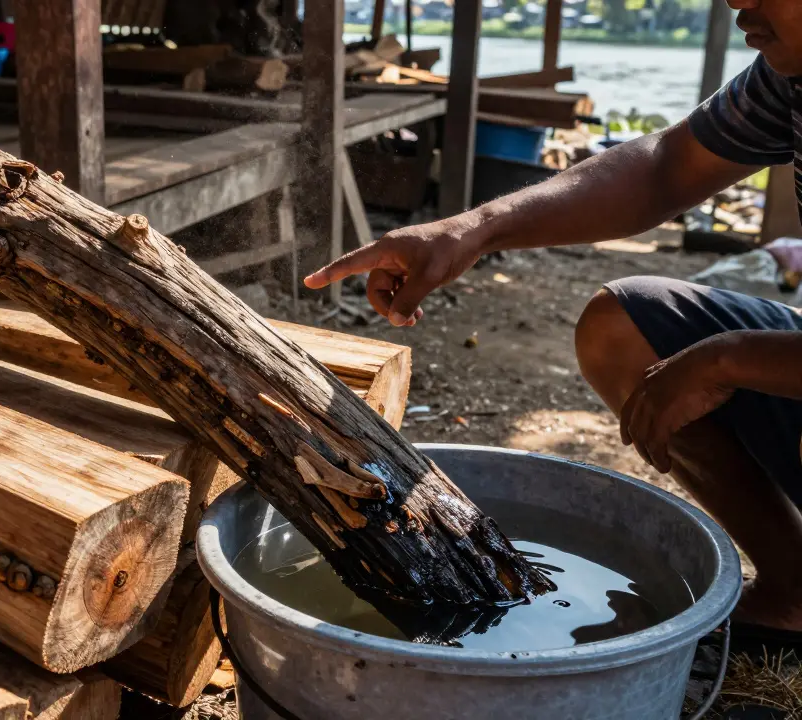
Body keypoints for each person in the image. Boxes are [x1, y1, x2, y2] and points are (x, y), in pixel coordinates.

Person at [304, 0, 802, 650]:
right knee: (624, 327)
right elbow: (662, 169)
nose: (741, 3)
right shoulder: (787, 76)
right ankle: (796, 593)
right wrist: (471, 230)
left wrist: (723, 360)